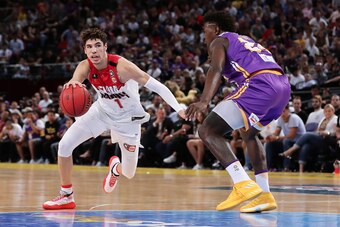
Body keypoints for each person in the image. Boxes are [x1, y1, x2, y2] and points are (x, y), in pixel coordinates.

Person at [43, 28, 186, 210]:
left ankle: (115, 169)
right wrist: (73, 85)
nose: (94, 50)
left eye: (97, 46)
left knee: (129, 172)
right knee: (64, 146)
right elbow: (76, 80)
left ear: (105, 47)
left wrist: (179, 108)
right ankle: (66, 196)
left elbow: (158, 87)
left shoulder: (123, 67)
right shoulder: (85, 66)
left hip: (128, 121)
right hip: (101, 112)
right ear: (85, 50)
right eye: (89, 47)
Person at [185, 11, 291, 213]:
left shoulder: (219, 40)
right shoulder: (243, 39)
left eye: (205, 30)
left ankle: (241, 182)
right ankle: (265, 194)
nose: (204, 36)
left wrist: (204, 101)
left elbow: (215, 69)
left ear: (215, 28)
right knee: (248, 133)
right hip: (282, 87)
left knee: (207, 130)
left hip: (260, 84)